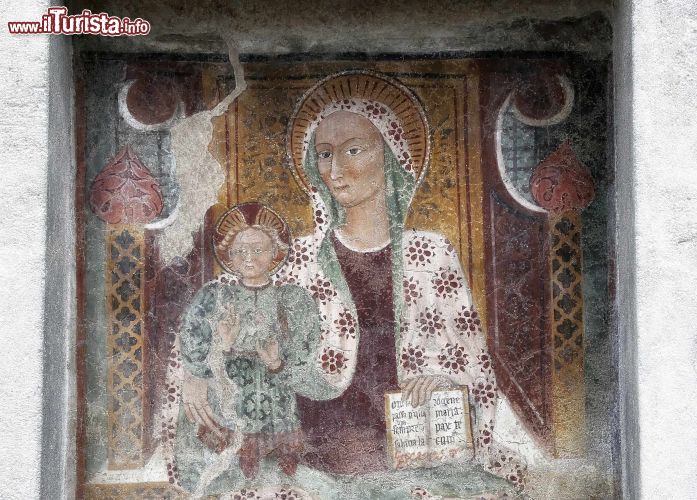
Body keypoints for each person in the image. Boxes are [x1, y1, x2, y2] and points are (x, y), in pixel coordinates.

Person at [276, 71, 540, 496]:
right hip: (322, 445)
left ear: (392, 155)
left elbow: (471, 362)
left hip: (415, 443)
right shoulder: (300, 258)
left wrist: (443, 380)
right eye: (323, 154)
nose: (336, 169)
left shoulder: (431, 253)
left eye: (354, 150)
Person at [169, 203, 328, 496]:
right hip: (227, 397)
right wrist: (223, 344)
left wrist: (277, 362)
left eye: (258, 250)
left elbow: (305, 354)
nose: (249, 258)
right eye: (240, 251)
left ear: (275, 252)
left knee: (277, 481)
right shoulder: (214, 297)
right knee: (223, 476)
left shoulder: (293, 300)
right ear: (229, 256)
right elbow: (193, 347)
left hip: (276, 399)